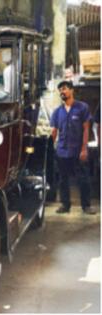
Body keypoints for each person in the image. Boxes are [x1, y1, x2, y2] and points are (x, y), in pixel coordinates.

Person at [50, 80, 96, 215]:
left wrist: (84, 149)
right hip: (62, 151)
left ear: (71, 90)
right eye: (60, 90)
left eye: (64, 89)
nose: (62, 92)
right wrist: (50, 148)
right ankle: (65, 205)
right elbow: (54, 132)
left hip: (78, 151)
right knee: (63, 180)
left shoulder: (82, 108)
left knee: (83, 179)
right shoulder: (57, 112)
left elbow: (86, 129)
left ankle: (86, 206)